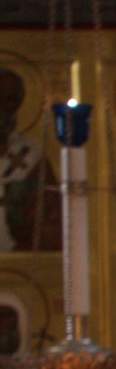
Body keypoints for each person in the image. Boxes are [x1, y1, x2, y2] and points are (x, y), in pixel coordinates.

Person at [0, 66, 60, 253]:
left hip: (22, 266)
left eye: (8, 100)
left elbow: (55, 222)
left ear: (17, 103)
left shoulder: (32, 158)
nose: (1, 107)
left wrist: (22, 249)